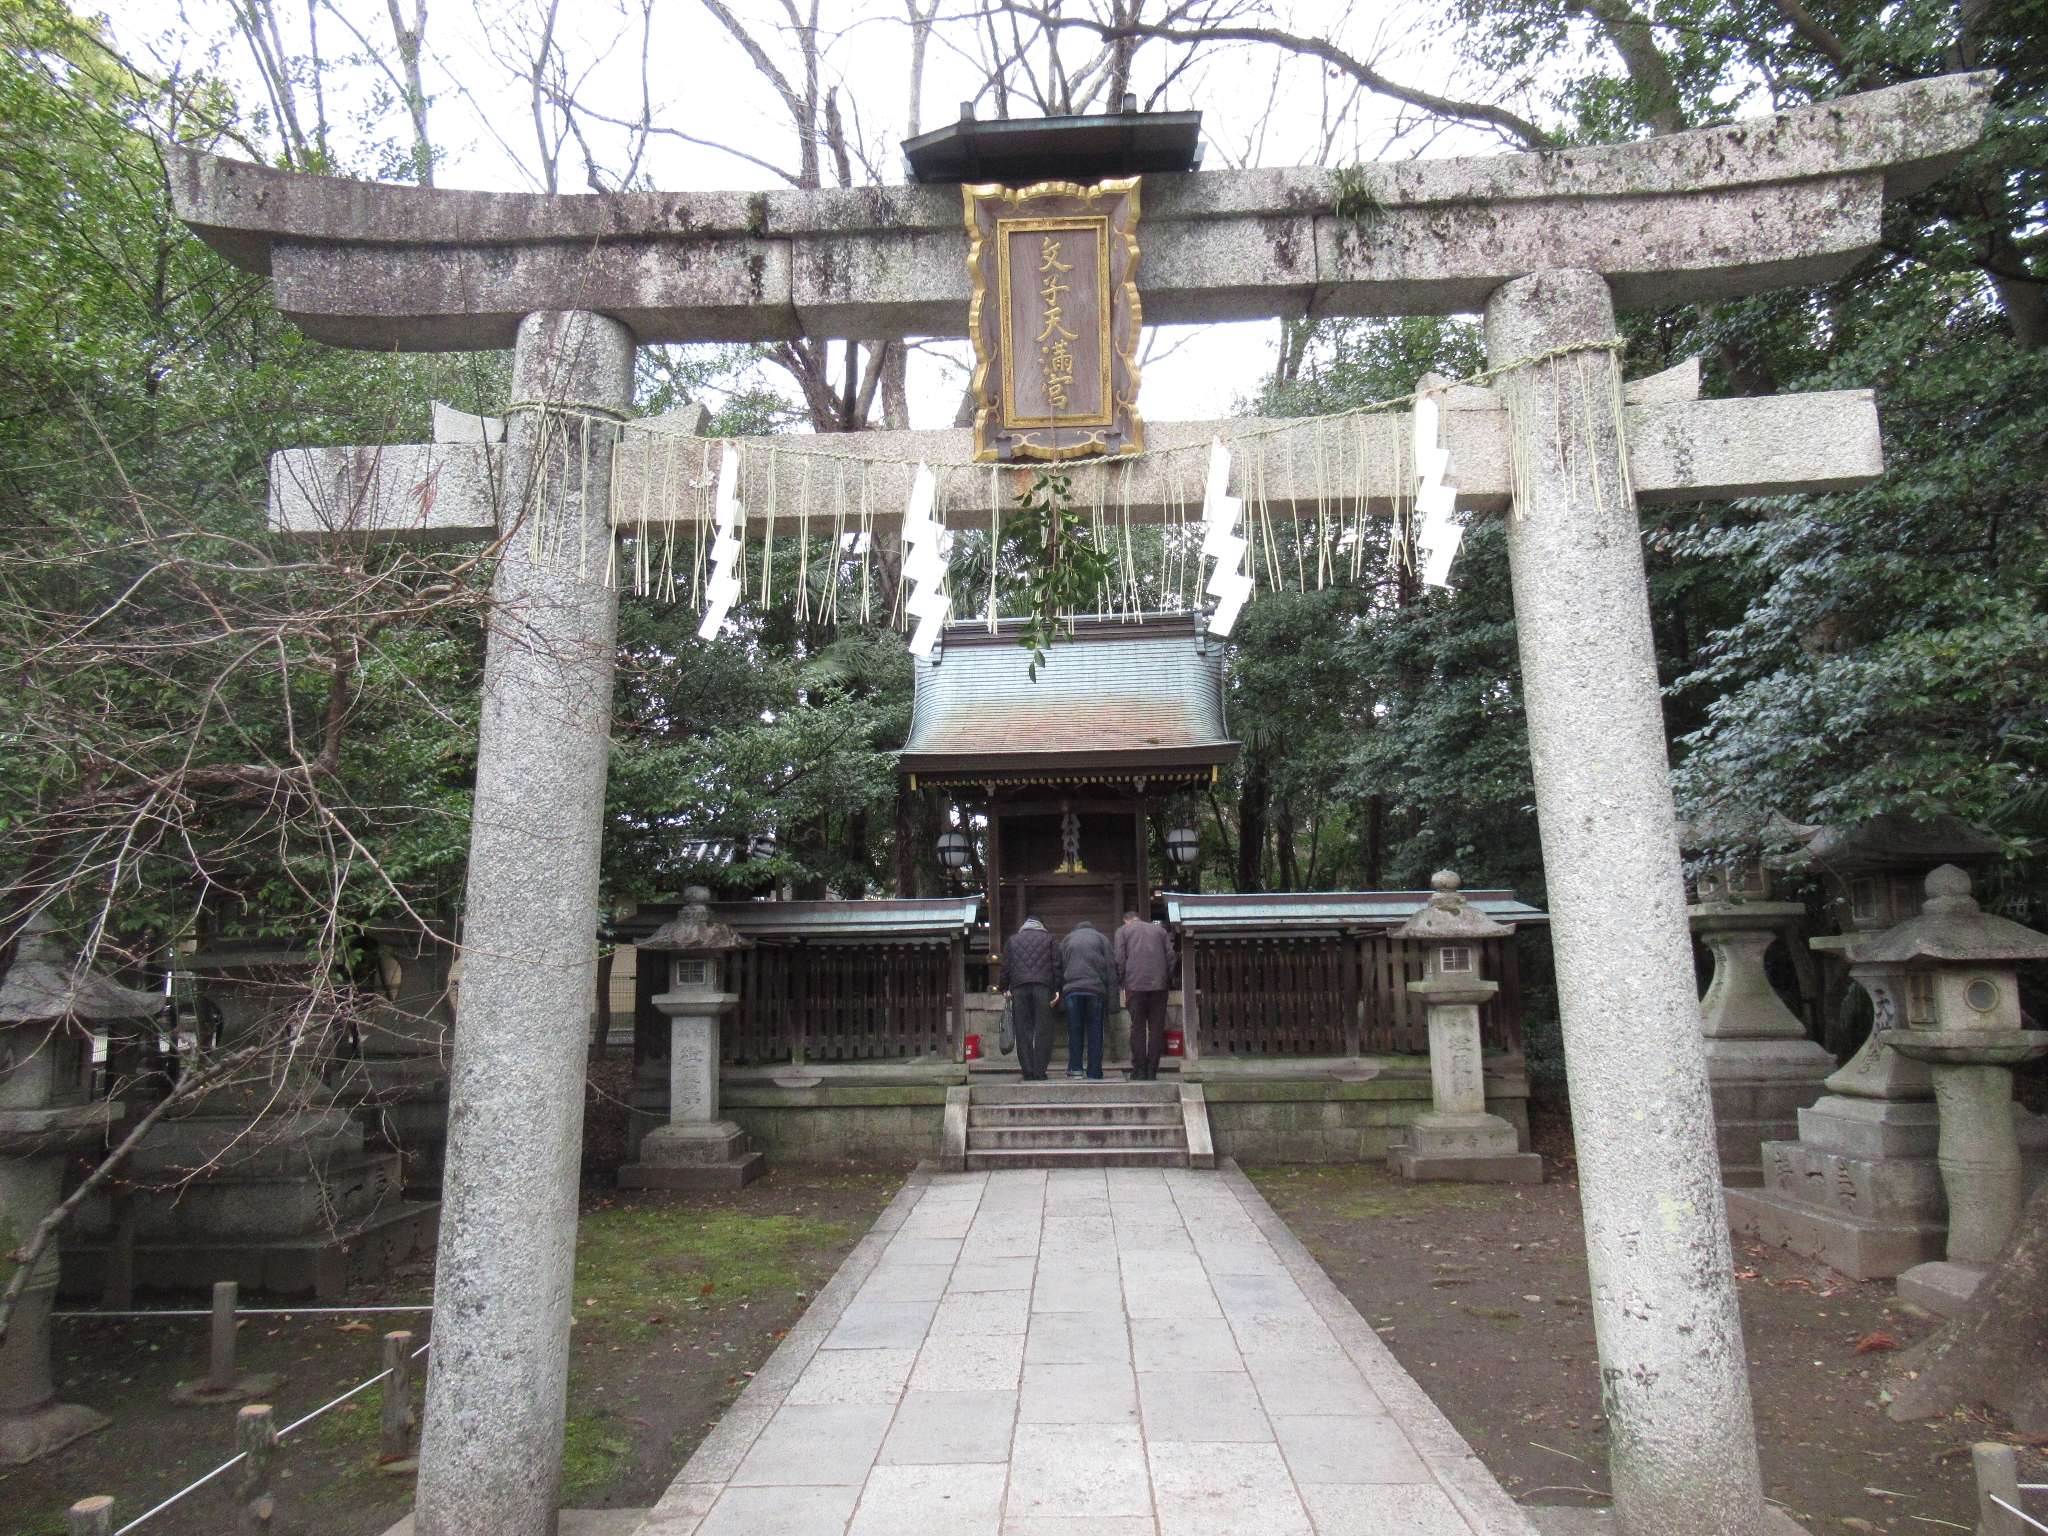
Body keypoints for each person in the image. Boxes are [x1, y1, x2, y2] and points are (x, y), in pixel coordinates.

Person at [1114, 909, 1176, 1081]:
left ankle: (1139, 1070)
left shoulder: (1122, 931)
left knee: (1137, 1028)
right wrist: (1167, 979)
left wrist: (1122, 981)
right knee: (1156, 1029)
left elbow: (1119, 958)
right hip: (1159, 986)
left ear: (1127, 921)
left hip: (1134, 986)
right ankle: (1152, 1071)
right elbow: (1171, 957)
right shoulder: (1160, 931)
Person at [1000, 916, 1062, 1081]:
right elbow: (1056, 965)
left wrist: (1004, 987)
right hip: (1043, 987)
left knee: (1023, 1029)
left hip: (1019, 988)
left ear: (1024, 926)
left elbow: (1006, 966)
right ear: (1041, 926)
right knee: (1044, 1030)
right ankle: (1040, 1071)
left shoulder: (1012, 941)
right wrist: (1057, 989)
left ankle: (1027, 1071)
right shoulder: (1050, 939)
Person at [1057, 917, 1116, 1080]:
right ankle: (1094, 1071)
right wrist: (1113, 1002)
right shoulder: (1102, 939)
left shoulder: (1067, 939)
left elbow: (1059, 967)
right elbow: (1111, 969)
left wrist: (1059, 995)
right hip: (1095, 990)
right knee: (1096, 1031)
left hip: (1072, 990)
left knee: (1074, 1030)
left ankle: (1075, 1069)